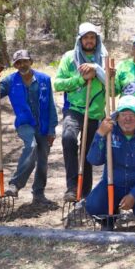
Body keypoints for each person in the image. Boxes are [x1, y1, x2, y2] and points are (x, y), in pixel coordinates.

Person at [0, 49, 57, 205]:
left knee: (42, 160)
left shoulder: (44, 79)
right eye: (18, 62)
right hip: (25, 124)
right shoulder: (10, 81)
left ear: (31, 61)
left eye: (25, 61)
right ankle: (15, 185)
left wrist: (52, 130)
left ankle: (39, 194)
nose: (22, 65)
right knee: (31, 146)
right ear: (15, 65)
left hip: (44, 126)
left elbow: (51, 105)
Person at [85, 95, 135, 231]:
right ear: (117, 117)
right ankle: (108, 220)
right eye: (123, 114)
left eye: (132, 114)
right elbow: (94, 160)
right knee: (93, 205)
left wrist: (134, 194)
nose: (128, 118)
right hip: (112, 185)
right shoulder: (109, 134)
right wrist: (99, 135)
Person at [54, 22, 107, 202]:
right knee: (68, 138)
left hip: (95, 112)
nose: (89, 41)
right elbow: (58, 83)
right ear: (80, 39)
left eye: (92, 37)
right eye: (86, 37)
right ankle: (71, 186)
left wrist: (97, 70)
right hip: (74, 108)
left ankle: (85, 192)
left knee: (88, 152)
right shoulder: (70, 58)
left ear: (97, 39)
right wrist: (80, 79)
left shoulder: (104, 58)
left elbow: (113, 86)